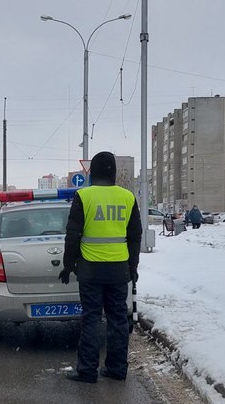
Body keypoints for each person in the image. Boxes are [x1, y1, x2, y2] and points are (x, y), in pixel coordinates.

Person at [59, 151, 142, 384]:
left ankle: (87, 370)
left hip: (91, 270)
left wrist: (68, 264)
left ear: (92, 172)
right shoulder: (127, 197)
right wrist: (132, 267)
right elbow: (135, 235)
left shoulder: (83, 196)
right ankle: (116, 368)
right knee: (117, 319)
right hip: (118, 271)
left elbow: (72, 234)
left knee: (92, 318)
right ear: (113, 172)